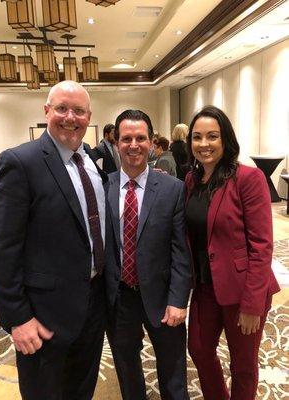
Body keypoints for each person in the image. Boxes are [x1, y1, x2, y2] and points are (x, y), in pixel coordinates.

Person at [0, 81, 108, 400]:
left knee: (81, 389)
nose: (71, 117)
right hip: (42, 315)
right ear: (46, 112)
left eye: (79, 111)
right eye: (62, 108)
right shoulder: (19, 162)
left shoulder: (92, 164)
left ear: (89, 116)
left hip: (93, 306)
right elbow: (1, 249)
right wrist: (17, 318)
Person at [185, 105, 280, 400]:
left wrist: (252, 304)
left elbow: (262, 245)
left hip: (242, 290)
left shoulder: (248, 179)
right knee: (199, 349)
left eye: (212, 136)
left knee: (243, 365)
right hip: (203, 286)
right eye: (197, 137)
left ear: (225, 139)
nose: (204, 144)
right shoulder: (191, 180)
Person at [105, 109, 193, 400]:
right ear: (116, 142)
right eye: (126, 138)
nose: (134, 145)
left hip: (163, 297)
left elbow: (181, 250)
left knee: (173, 372)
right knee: (127, 370)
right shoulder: (101, 187)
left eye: (141, 138)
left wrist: (179, 300)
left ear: (152, 142)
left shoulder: (172, 189)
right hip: (119, 300)